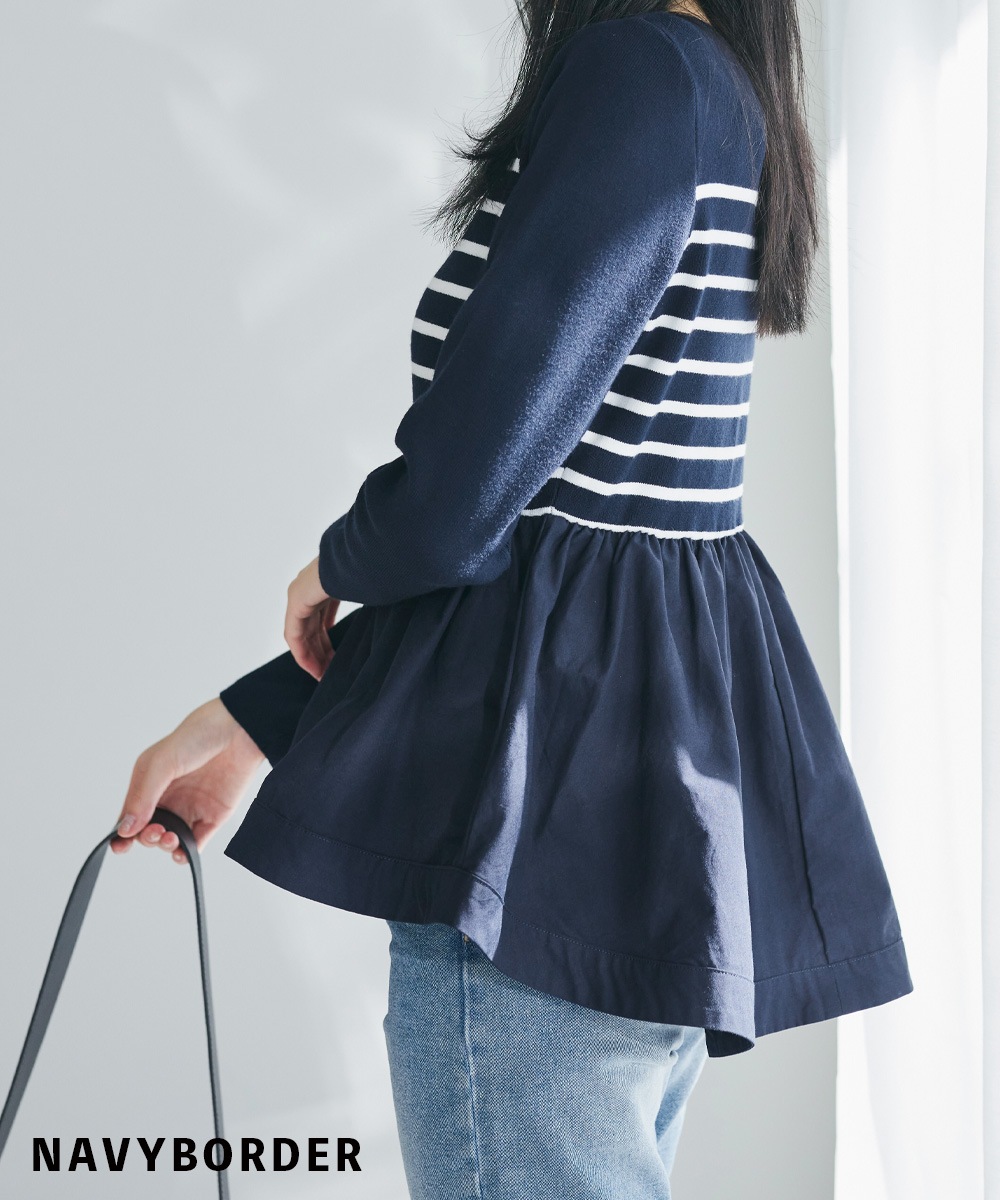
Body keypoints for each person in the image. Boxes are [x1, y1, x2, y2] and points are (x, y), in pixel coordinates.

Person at [112, 1, 914, 1196]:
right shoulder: (714, 85)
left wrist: (337, 564)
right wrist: (255, 719)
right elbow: (551, 542)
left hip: (536, 856)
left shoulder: (639, 71)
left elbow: (466, 508)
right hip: (630, 832)